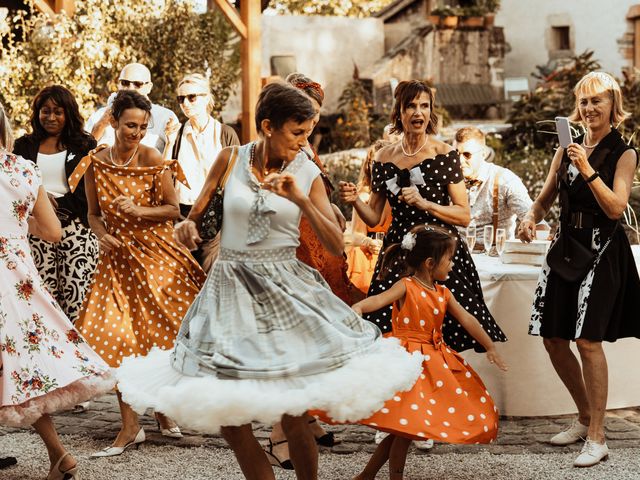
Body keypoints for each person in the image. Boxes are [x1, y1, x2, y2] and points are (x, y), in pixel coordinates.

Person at [116, 82, 423, 480]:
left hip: (285, 290)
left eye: (308, 133)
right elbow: (195, 214)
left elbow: (335, 243)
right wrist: (187, 228)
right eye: (297, 133)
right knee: (229, 416)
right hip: (229, 291)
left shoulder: (308, 172)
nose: (303, 142)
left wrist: (302, 200)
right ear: (267, 126)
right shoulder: (229, 158)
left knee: (293, 412)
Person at [70, 90, 206, 457]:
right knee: (118, 340)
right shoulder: (95, 162)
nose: (138, 132)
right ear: (113, 121)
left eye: (144, 126)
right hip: (117, 262)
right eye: (131, 125)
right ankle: (130, 427)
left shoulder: (152, 157)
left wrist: (136, 212)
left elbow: (172, 210)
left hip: (157, 259)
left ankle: (162, 411)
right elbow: (93, 214)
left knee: (159, 338)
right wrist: (101, 235)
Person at [518, 71, 640, 468]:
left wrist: (586, 168)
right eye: (583, 102)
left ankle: (598, 437)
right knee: (554, 338)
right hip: (565, 247)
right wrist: (530, 216)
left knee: (588, 341)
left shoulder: (623, 152)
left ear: (612, 107)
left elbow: (616, 208)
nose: (588, 109)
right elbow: (544, 198)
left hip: (603, 249)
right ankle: (585, 415)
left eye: (596, 102)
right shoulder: (567, 146)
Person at [318, 225, 507, 480]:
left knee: (404, 430)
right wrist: (359, 307)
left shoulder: (443, 293)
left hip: (432, 363)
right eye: (449, 259)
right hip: (406, 363)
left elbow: (468, 319)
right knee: (404, 430)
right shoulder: (406, 286)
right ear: (430, 263)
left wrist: (490, 345)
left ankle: (366, 476)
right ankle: (382, 476)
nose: (452, 265)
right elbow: (379, 299)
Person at [339, 80, 506, 352]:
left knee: (450, 329)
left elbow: (463, 215)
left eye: (424, 106)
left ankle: (442, 383)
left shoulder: (445, 154)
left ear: (431, 112)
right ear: (399, 112)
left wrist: (426, 204)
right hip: (399, 251)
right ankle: (408, 389)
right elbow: (373, 217)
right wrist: (354, 200)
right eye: (411, 106)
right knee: (387, 327)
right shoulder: (382, 157)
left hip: (438, 249)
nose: (418, 113)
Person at [0, 102, 114, 479]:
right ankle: (59, 455)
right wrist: (16, 230)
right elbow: (53, 232)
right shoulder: (24, 169)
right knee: (21, 369)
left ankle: (61, 455)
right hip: (16, 277)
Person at [263, 74, 352, 470]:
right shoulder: (267, 151)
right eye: (304, 120)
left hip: (317, 254)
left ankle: (306, 418)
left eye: (314, 120)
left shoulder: (305, 150)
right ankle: (278, 432)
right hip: (290, 250)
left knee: (309, 341)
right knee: (286, 345)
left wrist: (329, 208)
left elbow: (319, 197)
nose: (309, 128)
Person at [13, 85, 98, 324]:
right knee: (42, 294)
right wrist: (38, 202)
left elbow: (90, 191)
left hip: (77, 230)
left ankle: (79, 351)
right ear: (37, 113)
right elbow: (15, 185)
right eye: (45, 111)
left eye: (57, 111)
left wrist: (52, 202)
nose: (50, 117)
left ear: (68, 113)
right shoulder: (23, 146)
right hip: (37, 232)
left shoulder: (85, 145)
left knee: (77, 293)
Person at [167, 73, 240, 270]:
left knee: (210, 274)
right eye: (181, 98)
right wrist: (169, 141)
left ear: (207, 97)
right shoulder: (178, 133)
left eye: (192, 97)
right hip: (182, 213)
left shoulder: (224, 133)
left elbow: (237, 177)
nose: (186, 103)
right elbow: (165, 174)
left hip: (213, 213)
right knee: (182, 275)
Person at [454, 126, 540, 247]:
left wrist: (532, 230)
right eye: (456, 153)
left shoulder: (505, 180)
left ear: (483, 154)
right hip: (455, 255)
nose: (459, 160)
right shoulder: (449, 179)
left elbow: (531, 216)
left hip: (494, 258)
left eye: (467, 154)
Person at [85, 62, 178, 155]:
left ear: (149, 87)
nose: (130, 88)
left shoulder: (165, 117)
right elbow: (83, 152)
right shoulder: (99, 115)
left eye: (137, 84)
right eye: (125, 83)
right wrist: (101, 124)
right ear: (118, 84)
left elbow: (173, 160)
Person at [347, 140, 392, 297]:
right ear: (369, 166)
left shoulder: (401, 194)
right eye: (376, 163)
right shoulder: (364, 196)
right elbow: (355, 235)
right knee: (358, 254)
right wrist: (369, 243)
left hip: (394, 250)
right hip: (371, 250)